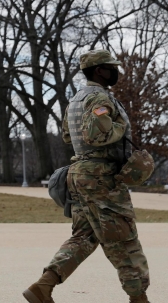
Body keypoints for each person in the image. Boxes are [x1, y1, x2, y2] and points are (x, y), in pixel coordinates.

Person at [23, 50, 150, 303]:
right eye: (111, 67)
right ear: (99, 70)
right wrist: (120, 127)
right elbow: (97, 135)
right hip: (102, 177)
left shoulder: (76, 100)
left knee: (85, 236)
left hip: (81, 174)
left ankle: (43, 286)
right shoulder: (98, 98)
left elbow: (69, 137)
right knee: (123, 239)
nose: (116, 72)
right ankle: (139, 298)